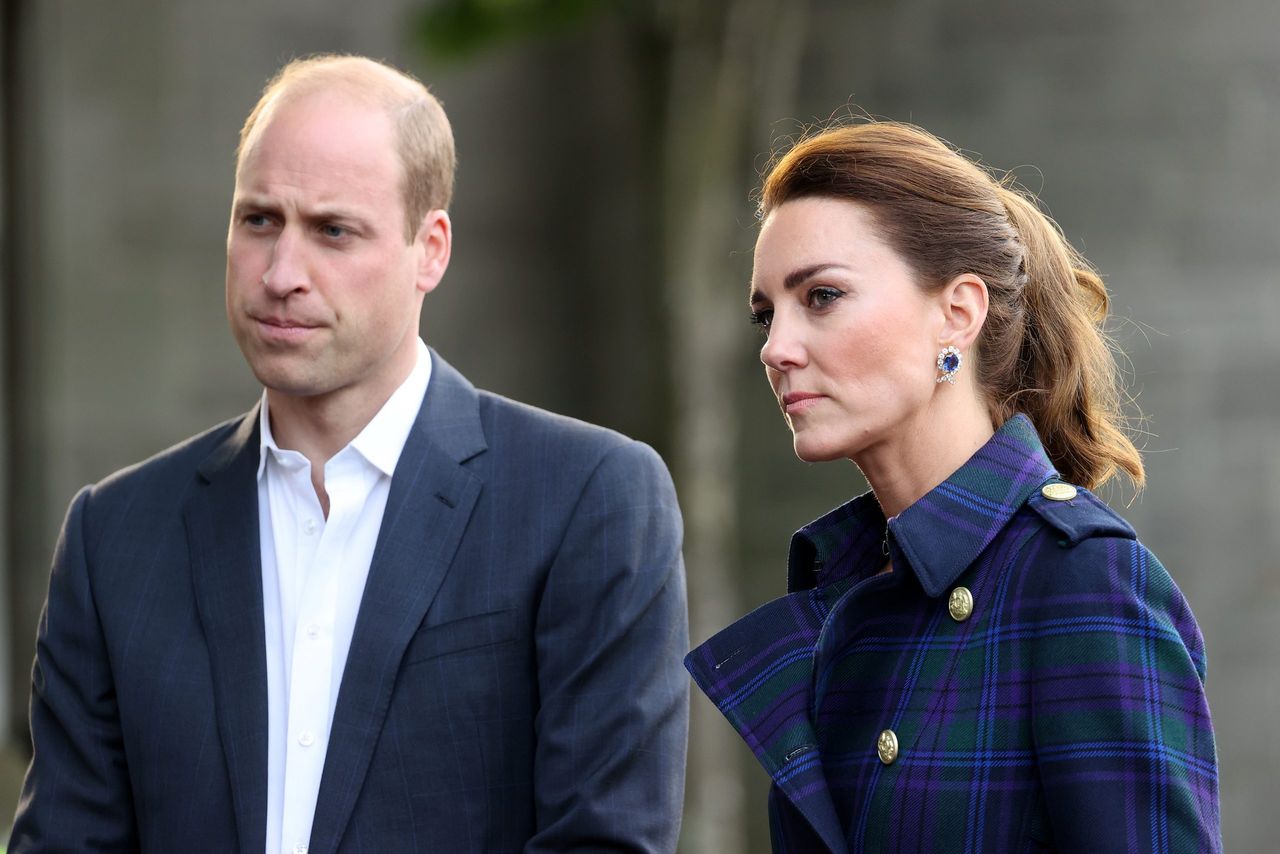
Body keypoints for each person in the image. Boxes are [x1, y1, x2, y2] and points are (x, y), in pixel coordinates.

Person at [10, 54, 688, 854]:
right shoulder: (114, 538)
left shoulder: (587, 498)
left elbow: (602, 840)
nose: (281, 273)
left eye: (334, 231)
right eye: (259, 220)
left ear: (429, 249)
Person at [685, 121, 1220, 852]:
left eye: (822, 296)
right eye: (765, 314)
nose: (777, 349)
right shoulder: (852, 586)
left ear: (958, 312)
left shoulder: (1081, 582)